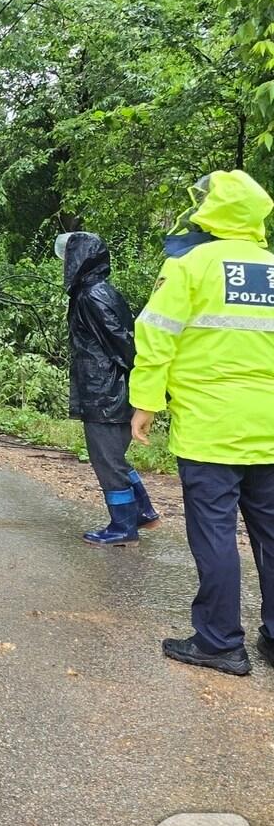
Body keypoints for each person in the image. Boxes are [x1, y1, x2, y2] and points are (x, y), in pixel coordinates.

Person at [129, 169, 274, 677]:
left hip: (212, 426)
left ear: (209, 211)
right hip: (269, 427)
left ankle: (218, 641)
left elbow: (156, 337)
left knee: (214, 532)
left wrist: (145, 402)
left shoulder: (190, 265)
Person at [58, 230, 159, 546]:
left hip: (107, 393)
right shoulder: (95, 292)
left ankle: (123, 527)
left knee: (107, 461)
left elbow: (122, 343)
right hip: (108, 390)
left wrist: (141, 385)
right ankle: (141, 512)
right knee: (113, 458)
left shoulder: (92, 296)